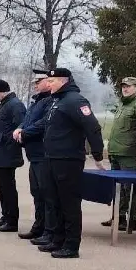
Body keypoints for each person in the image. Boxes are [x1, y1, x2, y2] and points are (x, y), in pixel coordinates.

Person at [38, 67, 105, 258]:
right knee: (55, 201)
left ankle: (71, 245)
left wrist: (98, 154)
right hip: (52, 158)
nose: (48, 84)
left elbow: (92, 126)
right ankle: (57, 240)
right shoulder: (57, 101)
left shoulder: (75, 100)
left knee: (69, 203)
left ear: (63, 81)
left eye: (52, 81)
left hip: (68, 160)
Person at [100, 77, 136, 232]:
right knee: (117, 188)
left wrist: (134, 145)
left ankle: (132, 220)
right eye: (123, 86)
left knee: (130, 188)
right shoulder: (122, 105)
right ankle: (119, 217)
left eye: (129, 86)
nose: (125, 89)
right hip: (116, 152)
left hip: (129, 154)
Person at [14, 70, 52, 241]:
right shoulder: (37, 101)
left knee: (46, 193)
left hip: (43, 152)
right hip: (34, 153)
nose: (35, 85)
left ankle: (47, 229)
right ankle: (39, 226)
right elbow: (28, 119)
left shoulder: (50, 100)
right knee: (36, 191)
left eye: (39, 82)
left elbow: (43, 123)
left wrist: (26, 132)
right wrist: (20, 128)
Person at [0, 79, 27, 232]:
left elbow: (21, 126)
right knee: (2, 188)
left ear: (3, 91)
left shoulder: (15, 105)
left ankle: (12, 220)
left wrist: (6, 140)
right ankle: (5, 216)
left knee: (8, 188)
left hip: (7, 152)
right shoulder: (5, 104)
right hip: (0, 152)